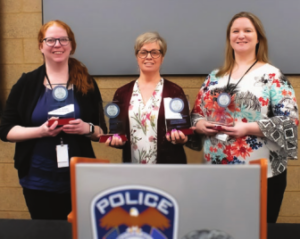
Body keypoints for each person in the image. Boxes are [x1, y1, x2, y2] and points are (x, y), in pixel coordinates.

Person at [190, 12, 298, 223]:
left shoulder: (273, 76)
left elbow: (290, 120)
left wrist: (248, 129)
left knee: (256, 229)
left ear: (258, 38)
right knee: (220, 228)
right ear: (229, 38)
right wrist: (201, 124)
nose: (241, 35)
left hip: (261, 172)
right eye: (235, 31)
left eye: (248, 30)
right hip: (216, 171)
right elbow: (196, 114)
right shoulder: (214, 76)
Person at [0, 20, 107, 220]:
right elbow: (5, 130)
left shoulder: (87, 83)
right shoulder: (26, 83)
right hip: (37, 180)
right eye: (50, 40)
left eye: (63, 40)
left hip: (79, 179)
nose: (57, 45)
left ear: (72, 45)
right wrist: (39, 132)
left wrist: (87, 128)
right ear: (41, 46)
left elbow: (102, 132)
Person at [105, 32, 189, 164]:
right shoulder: (122, 93)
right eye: (143, 52)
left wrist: (181, 138)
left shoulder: (174, 91)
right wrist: (116, 140)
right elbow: (118, 134)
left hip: (168, 169)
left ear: (162, 57)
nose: (149, 57)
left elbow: (185, 133)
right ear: (137, 56)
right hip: (133, 168)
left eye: (155, 52)